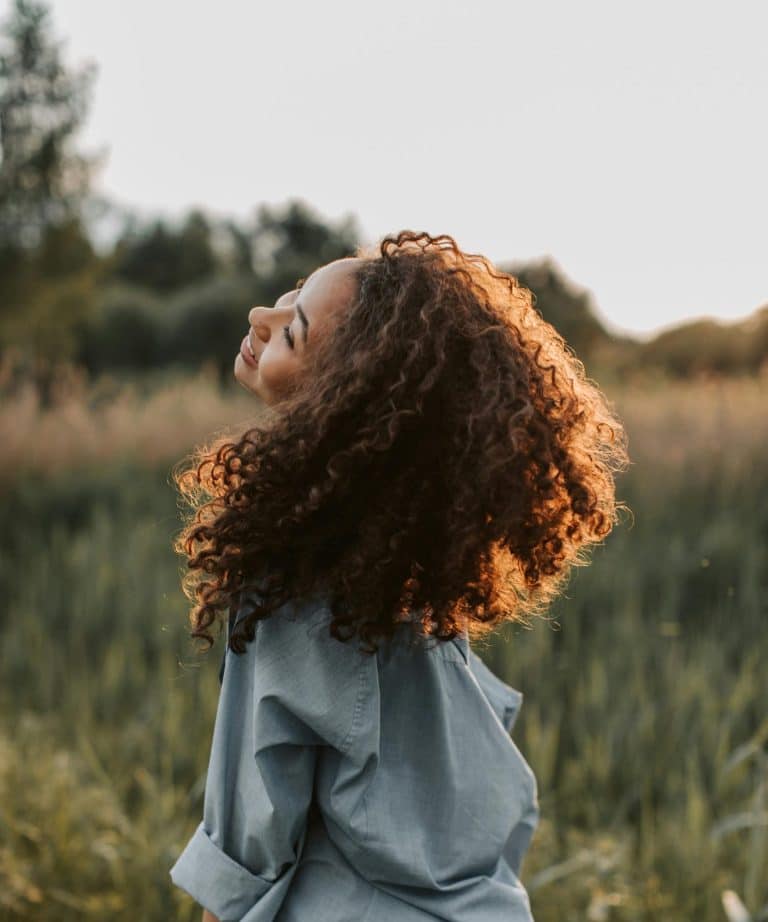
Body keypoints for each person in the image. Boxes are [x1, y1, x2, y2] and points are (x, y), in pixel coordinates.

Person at [169, 231, 629, 921]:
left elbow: (246, 854)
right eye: (291, 295)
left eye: (291, 331)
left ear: (335, 400)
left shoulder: (297, 575)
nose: (259, 320)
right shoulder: (403, 572)